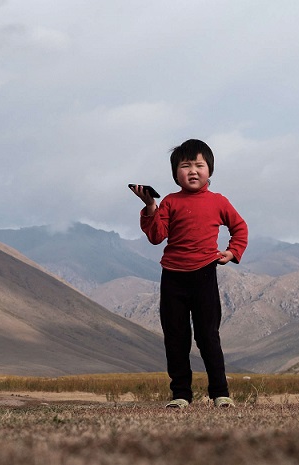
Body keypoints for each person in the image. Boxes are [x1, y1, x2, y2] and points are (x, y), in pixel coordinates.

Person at [130, 139, 248, 408]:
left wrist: (232, 252)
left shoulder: (219, 201)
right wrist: (150, 207)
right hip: (172, 277)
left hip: (205, 274)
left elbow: (239, 228)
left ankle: (220, 393)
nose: (193, 171)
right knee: (175, 337)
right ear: (176, 173)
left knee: (208, 335)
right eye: (185, 166)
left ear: (210, 170)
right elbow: (156, 236)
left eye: (199, 165)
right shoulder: (169, 202)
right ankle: (181, 395)